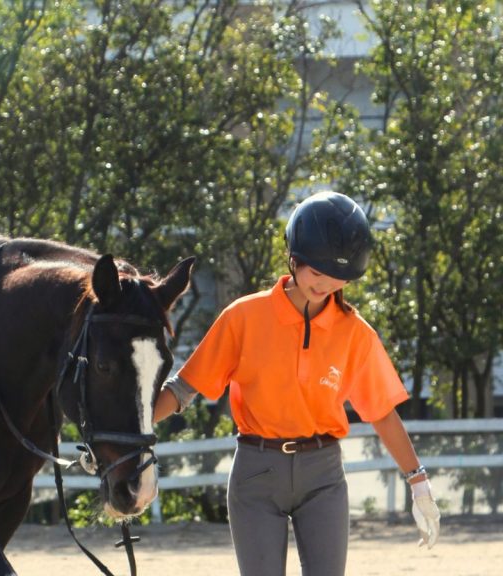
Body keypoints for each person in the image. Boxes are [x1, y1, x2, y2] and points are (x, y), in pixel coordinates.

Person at [152, 192, 441, 576]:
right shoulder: (243, 317)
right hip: (257, 472)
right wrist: (130, 429)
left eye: (336, 277)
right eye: (316, 273)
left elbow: (382, 413)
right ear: (294, 260)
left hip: (323, 474)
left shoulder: (356, 334)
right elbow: (184, 388)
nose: (324, 285)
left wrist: (418, 482)